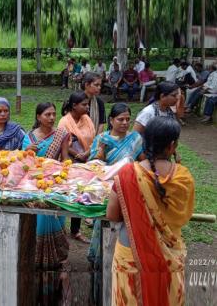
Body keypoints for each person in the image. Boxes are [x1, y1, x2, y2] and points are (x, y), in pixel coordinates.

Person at [107, 117, 194, 306]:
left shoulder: (127, 173)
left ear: (145, 142)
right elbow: (183, 215)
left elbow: (112, 215)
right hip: (169, 254)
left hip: (131, 253)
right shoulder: (183, 177)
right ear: (172, 146)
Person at [88, 103, 145, 305]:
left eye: (127, 119)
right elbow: (95, 165)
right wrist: (102, 150)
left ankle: (124, 262)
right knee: (105, 225)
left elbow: (142, 160)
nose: (124, 123)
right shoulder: (101, 138)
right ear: (111, 120)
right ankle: (99, 262)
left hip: (130, 189)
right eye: (120, 119)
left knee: (127, 227)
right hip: (106, 189)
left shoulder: (136, 139)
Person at [22, 103, 71, 304]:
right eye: (47, 114)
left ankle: (55, 263)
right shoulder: (29, 137)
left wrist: (60, 175)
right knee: (39, 223)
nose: (51, 118)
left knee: (55, 220)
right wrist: (27, 152)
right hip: (34, 186)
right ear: (38, 116)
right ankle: (37, 262)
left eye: (53, 114)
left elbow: (66, 160)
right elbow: (23, 166)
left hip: (54, 185)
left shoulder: (62, 134)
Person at [58, 92, 96, 242]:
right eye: (84, 104)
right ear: (74, 106)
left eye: (87, 104)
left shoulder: (87, 119)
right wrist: (77, 154)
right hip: (71, 161)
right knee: (70, 194)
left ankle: (76, 230)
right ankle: (60, 227)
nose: (87, 107)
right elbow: (64, 142)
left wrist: (86, 153)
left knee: (82, 195)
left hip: (86, 161)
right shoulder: (64, 122)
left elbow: (93, 139)